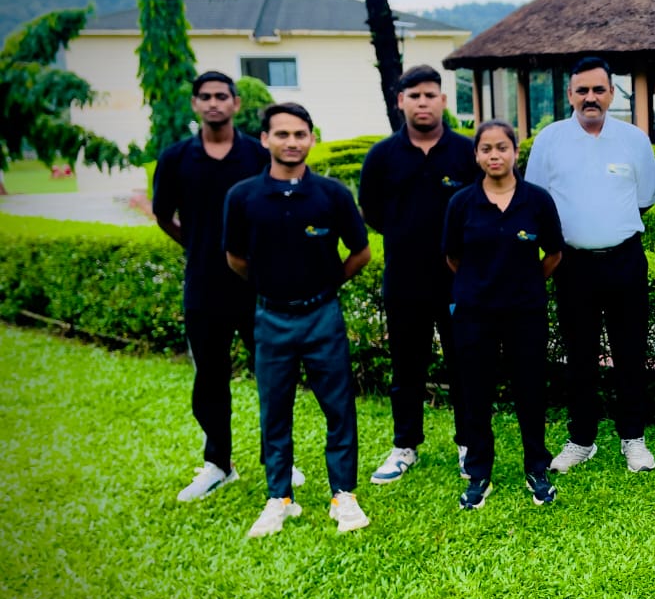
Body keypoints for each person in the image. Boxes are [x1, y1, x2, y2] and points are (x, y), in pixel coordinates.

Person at [224, 102, 373, 537]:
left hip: (322, 314)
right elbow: (235, 258)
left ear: (312, 139)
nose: (292, 142)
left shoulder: (331, 195)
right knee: (274, 409)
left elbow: (361, 252)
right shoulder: (243, 197)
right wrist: (272, 287)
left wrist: (325, 286)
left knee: (338, 407)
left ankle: (343, 495)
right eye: (282, 134)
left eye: (300, 134)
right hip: (271, 317)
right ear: (265, 139)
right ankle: (280, 498)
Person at [526, 56, 655, 475]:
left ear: (611, 93)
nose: (590, 98)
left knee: (630, 353)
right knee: (579, 356)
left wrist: (606, 225)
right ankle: (582, 440)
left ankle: (633, 438)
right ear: (570, 94)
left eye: (598, 90)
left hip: (624, 261)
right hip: (573, 266)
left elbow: (646, 197)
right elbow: (536, 202)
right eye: (582, 90)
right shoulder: (550, 140)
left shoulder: (633, 139)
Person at [152, 70, 271, 502]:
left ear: (236, 103)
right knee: (210, 379)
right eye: (205, 96)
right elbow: (163, 215)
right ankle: (219, 464)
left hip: (256, 285)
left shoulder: (258, 154)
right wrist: (200, 245)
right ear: (195, 104)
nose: (214, 103)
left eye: (222, 96)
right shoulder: (176, 158)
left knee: (271, 374)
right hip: (203, 285)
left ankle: (279, 458)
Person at [358, 64, 476, 485]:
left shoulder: (466, 152)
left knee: (464, 366)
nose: (422, 103)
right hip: (404, 280)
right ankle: (404, 445)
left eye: (430, 95)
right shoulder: (382, 156)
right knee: (407, 368)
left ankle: (469, 444)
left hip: (459, 280)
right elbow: (371, 211)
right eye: (414, 96)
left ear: (443, 100)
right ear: (400, 101)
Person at [444, 120, 565, 509]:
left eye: (502, 147)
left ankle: (537, 469)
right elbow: (453, 257)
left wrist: (525, 284)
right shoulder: (461, 203)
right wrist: (481, 287)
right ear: (476, 155)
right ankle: (479, 473)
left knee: (530, 391)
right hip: (474, 314)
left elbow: (554, 253)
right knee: (475, 394)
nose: (494, 155)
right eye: (486, 149)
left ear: (515, 152)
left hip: (525, 313)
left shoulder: (537, 201)